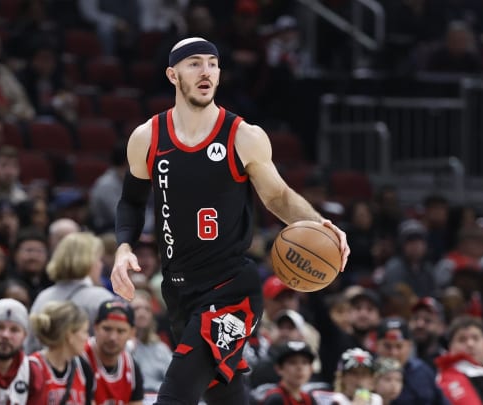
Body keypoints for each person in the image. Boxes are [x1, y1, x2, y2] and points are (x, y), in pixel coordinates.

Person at [110, 36, 350, 405]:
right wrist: (124, 247)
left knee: (175, 396)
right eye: (194, 63)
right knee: (224, 394)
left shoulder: (243, 136)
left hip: (231, 291)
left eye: (212, 63)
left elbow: (278, 197)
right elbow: (130, 202)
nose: (206, 71)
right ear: (173, 75)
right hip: (178, 291)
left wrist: (320, 224)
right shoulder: (148, 137)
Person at [26, 232, 114, 353]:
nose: (101, 265)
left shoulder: (43, 296)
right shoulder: (101, 298)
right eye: (98, 259)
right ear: (88, 262)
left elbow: (30, 346)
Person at [29, 301, 97, 405]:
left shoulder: (83, 367)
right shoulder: (32, 368)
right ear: (69, 335)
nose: (87, 338)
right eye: (84, 331)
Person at [84, 300, 144, 405]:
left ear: (132, 333)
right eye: (107, 329)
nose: (113, 337)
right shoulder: (81, 358)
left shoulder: (132, 366)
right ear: (95, 327)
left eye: (121, 331)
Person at [261, 341, 318, 405]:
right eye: (292, 362)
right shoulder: (275, 399)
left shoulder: (309, 399)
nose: (299, 367)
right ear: (279, 368)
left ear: (311, 369)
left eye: (304, 362)